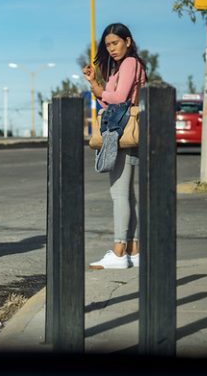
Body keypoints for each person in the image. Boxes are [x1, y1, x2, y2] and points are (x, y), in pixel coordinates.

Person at [82, 22, 147, 270]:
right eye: (108, 45)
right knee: (127, 194)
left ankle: (119, 252)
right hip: (122, 131)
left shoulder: (130, 63)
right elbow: (109, 101)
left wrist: (99, 89)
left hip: (122, 134)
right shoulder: (121, 67)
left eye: (115, 43)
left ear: (128, 42)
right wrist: (95, 84)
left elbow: (118, 99)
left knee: (119, 194)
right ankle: (133, 249)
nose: (111, 49)